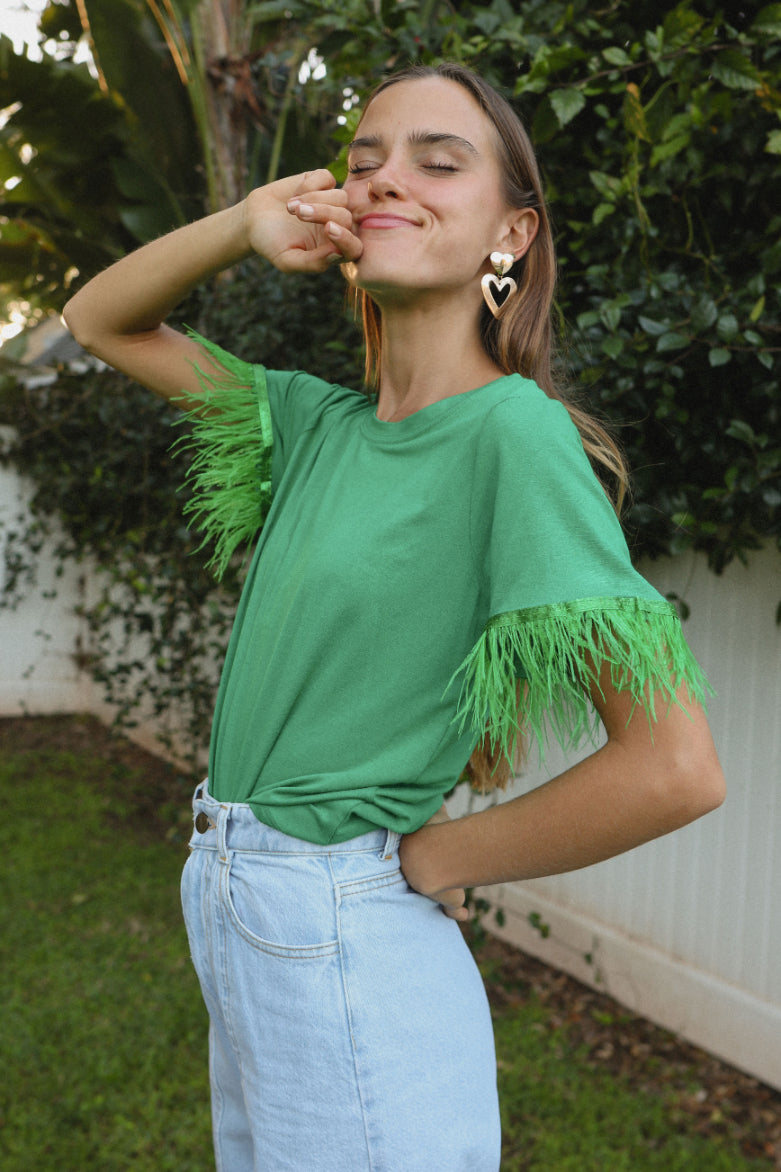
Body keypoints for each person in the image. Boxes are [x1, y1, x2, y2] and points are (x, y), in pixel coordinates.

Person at [63, 62, 725, 1172]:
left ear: (508, 234)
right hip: (238, 900)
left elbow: (673, 764)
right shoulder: (312, 423)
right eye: (364, 160)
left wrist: (441, 856)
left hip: (339, 913)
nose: (386, 180)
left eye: (438, 159)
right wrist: (241, 223)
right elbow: (98, 317)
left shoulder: (514, 434)